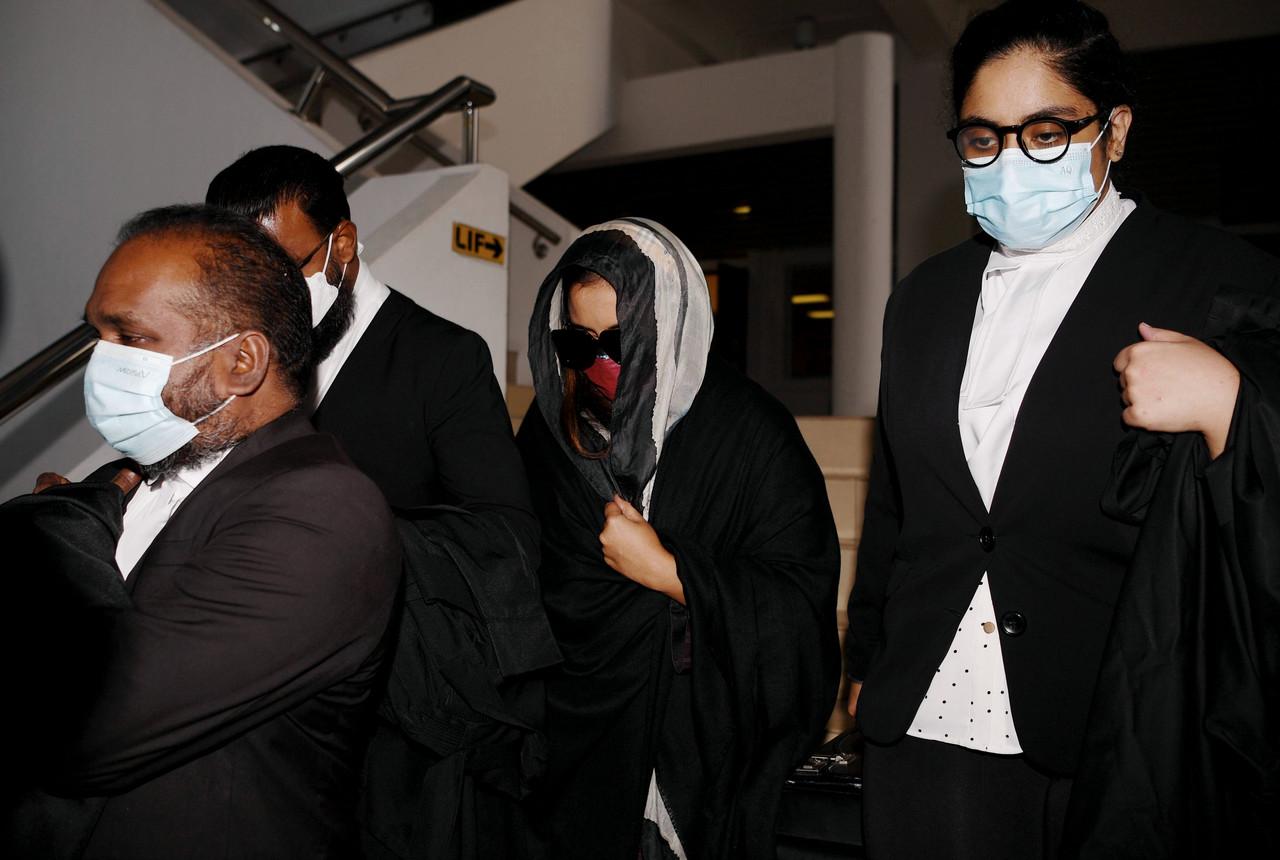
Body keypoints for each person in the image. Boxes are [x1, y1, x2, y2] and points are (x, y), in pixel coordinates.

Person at [844, 1, 1280, 857]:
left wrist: (1233, 400)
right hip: (926, 708)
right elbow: (898, 498)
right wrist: (866, 658)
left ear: (1113, 130)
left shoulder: (1222, 278)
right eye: (983, 138)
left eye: (1046, 131)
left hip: (1120, 722)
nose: (1011, 162)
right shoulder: (922, 298)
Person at [1, 204, 401, 858]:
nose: (101, 362)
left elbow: (83, 725)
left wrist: (58, 529)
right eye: (97, 335)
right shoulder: (131, 474)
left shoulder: (323, 507)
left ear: (242, 361)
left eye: (130, 338)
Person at [206, 146, 558, 859]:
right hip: (263, 708)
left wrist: (346, 537)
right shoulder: (235, 359)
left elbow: (508, 538)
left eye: (282, 271)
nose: (261, 300)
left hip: (392, 724)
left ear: (341, 244)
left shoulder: (441, 357)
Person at [517, 217, 841, 860]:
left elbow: (798, 611)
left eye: (620, 342)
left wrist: (672, 572)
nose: (599, 366)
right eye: (578, 344)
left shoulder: (751, 435)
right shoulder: (552, 433)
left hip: (699, 760)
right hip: (572, 762)